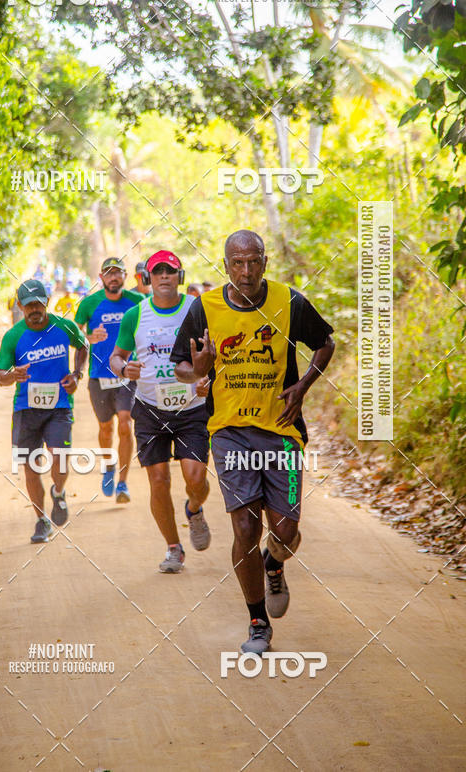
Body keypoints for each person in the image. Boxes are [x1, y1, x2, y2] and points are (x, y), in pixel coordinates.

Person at [171, 230, 334, 654]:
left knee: (286, 532)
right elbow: (181, 369)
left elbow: (325, 343)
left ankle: (273, 564)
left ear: (265, 262)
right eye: (237, 264)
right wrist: (199, 371)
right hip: (229, 431)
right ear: (226, 265)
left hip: (281, 429)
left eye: (254, 262)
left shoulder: (289, 301)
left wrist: (302, 388)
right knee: (244, 526)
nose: (246, 272)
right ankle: (258, 622)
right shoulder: (203, 308)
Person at [110, 250, 211, 573]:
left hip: (191, 407)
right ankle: (173, 548)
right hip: (151, 409)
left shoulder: (197, 310)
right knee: (158, 479)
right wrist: (125, 369)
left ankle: (194, 509)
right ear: (147, 279)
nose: (164, 276)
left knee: (195, 479)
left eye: (170, 271)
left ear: (179, 277)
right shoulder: (135, 316)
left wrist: (206, 377)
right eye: (158, 272)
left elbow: (213, 353)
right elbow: (116, 356)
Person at [0, 278, 89, 543]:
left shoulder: (64, 327)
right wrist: (13, 375)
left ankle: (58, 493)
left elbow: (84, 345)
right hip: (26, 409)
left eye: (38, 303)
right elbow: (0, 376)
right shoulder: (13, 337)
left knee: (59, 458)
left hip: (59, 406)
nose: (34, 309)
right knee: (31, 467)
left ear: (47, 302)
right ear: (20, 307)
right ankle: (41, 520)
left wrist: (76, 374)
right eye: (28, 305)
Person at [74, 258, 143, 502]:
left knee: (125, 424)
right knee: (106, 428)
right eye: (109, 273)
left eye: (118, 273)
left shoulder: (137, 302)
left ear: (125, 277)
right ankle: (109, 466)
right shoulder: (89, 303)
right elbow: (75, 333)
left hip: (126, 374)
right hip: (98, 376)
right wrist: (89, 338)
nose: (114, 278)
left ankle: (123, 484)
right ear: (101, 277)